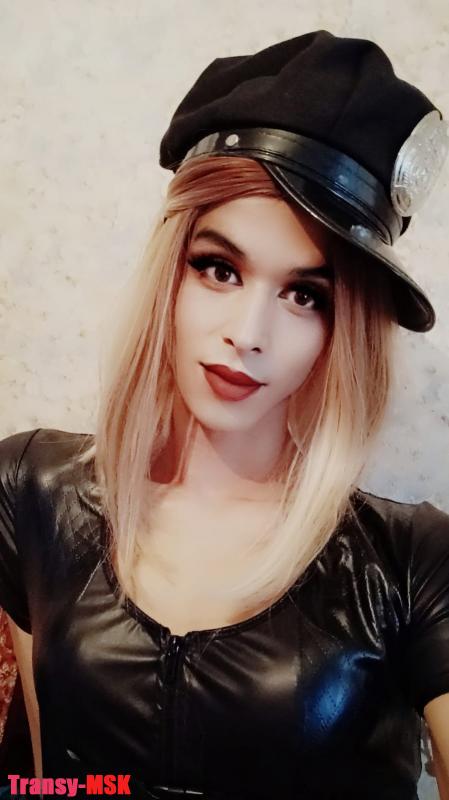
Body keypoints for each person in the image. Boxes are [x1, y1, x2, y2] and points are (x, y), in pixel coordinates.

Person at [1, 29, 449, 800]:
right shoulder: (32, 490)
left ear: (342, 333)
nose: (248, 333)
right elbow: (46, 774)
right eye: (218, 268)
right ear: (169, 275)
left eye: (304, 294)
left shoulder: (412, 559)